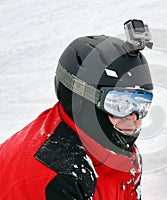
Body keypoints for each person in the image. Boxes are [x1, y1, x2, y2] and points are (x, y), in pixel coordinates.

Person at [0, 20, 154, 200]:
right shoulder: (59, 177)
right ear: (82, 101)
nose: (135, 117)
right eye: (120, 104)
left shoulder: (114, 150)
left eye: (142, 104)